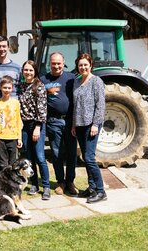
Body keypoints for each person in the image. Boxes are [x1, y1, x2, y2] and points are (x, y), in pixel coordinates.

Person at [40, 52, 78, 196]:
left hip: (70, 121)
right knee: (56, 153)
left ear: (63, 63)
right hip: (53, 121)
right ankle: (60, 182)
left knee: (72, 153)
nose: (56, 66)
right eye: (53, 63)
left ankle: (70, 182)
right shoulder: (44, 80)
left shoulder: (71, 78)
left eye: (59, 63)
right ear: (50, 63)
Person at [71, 53, 107, 203]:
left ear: (90, 65)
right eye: (80, 65)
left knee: (89, 158)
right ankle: (91, 188)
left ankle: (100, 191)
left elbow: (100, 104)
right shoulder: (77, 82)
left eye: (85, 64)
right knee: (86, 158)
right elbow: (76, 106)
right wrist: (74, 124)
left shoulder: (96, 81)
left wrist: (95, 124)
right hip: (79, 125)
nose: (83, 67)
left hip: (91, 125)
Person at [18, 60, 51, 200]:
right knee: (29, 157)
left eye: (31, 70)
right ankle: (34, 184)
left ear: (35, 71)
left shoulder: (39, 86)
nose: (28, 72)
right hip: (24, 126)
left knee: (40, 157)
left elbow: (42, 109)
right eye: (26, 70)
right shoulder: (20, 86)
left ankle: (47, 186)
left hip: (36, 125)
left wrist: (37, 127)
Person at [0, 75, 23, 177]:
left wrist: (19, 138)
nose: (7, 90)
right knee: (2, 164)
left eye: (9, 88)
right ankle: (3, 184)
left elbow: (18, 121)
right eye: (4, 87)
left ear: (12, 88)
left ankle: (12, 184)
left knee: (13, 163)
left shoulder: (16, 103)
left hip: (13, 138)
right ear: (0, 88)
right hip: (0, 138)